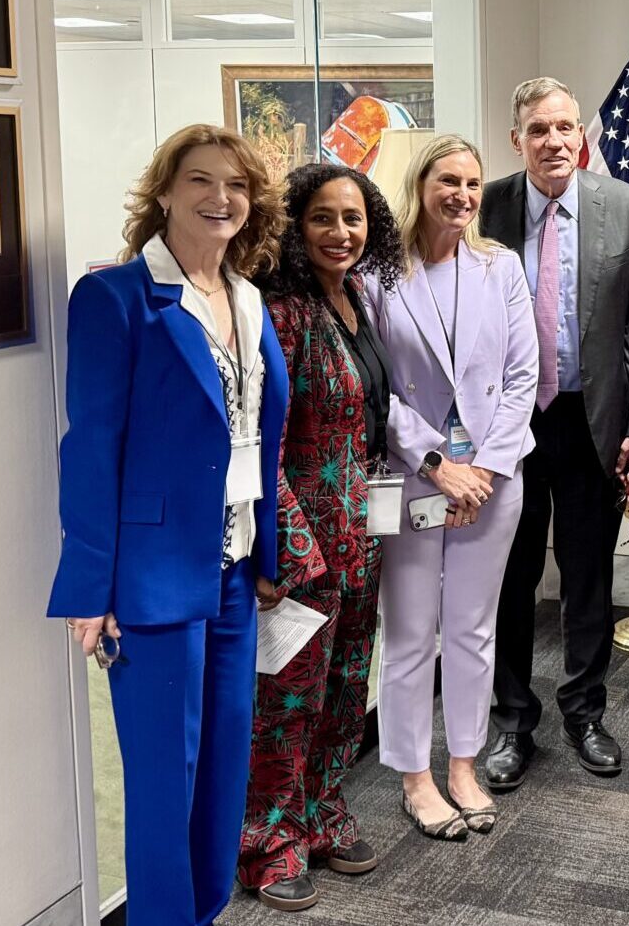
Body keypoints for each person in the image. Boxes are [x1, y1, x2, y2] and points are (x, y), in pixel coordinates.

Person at [48, 124, 295, 926]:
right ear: (163, 192)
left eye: (236, 184)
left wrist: (268, 553)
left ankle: (204, 910)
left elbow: (265, 435)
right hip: (152, 576)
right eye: (200, 180)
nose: (220, 198)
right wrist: (93, 587)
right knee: (163, 781)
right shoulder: (117, 297)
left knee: (225, 769)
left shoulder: (251, 299)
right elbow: (90, 448)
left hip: (231, 565)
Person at [479, 77, 629, 789]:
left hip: (595, 422)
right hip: (510, 428)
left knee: (589, 577)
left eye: (565, 126)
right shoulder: (486, 205)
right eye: (538, 129)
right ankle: (511, 721)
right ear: (516, 138)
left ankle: (586, 711)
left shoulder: (622, 206)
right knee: (512, 578)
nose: (554, 141)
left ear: (580, 131)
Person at [238, 163, 405, 909]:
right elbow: (258, 440)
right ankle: (269, 840)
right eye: (324, 219)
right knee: (285, 701)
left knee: (343, 691)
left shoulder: (357, 297)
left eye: (355, 218)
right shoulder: (283, 311)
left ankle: (321, 807)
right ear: (294, 229)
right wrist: (280, 550)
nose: (342, 233)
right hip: (301, 545)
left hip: (360, 535)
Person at [365, 135, 539, 836]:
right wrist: (440, 463)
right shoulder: (378, 274)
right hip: (410, 479)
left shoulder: (500, 267)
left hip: (493, 481)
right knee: (409, 632)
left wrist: (486, 471)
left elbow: (524, 375)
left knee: (471, 628)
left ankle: (463, 762)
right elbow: (374, 386)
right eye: (448, 180)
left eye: (472, 182)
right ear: (421, 183)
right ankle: (414, 775)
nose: (463, 195)